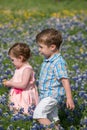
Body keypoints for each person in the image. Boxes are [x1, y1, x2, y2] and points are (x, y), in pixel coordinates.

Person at [33, 28, 75, 130]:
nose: (39, 50)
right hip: (45, 95)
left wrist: (69, 98)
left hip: (51, 96)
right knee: (53, 119)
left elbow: (65, 80)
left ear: (52, 47)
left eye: (41, 47)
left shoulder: (58, 62)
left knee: (38, 115)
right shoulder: (48, 60)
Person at [3, 43, 38, 114]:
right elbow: (15, 79)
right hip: (17, 95)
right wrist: (9, 82)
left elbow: (23, 85)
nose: (12, 62)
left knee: (25, 111)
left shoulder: (27, 69)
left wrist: (10, 83)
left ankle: (26, 121)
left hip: (24, 96)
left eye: (12, 60)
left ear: (20, 58)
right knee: (15, 110)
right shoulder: (18, 68)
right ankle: (17, 119)